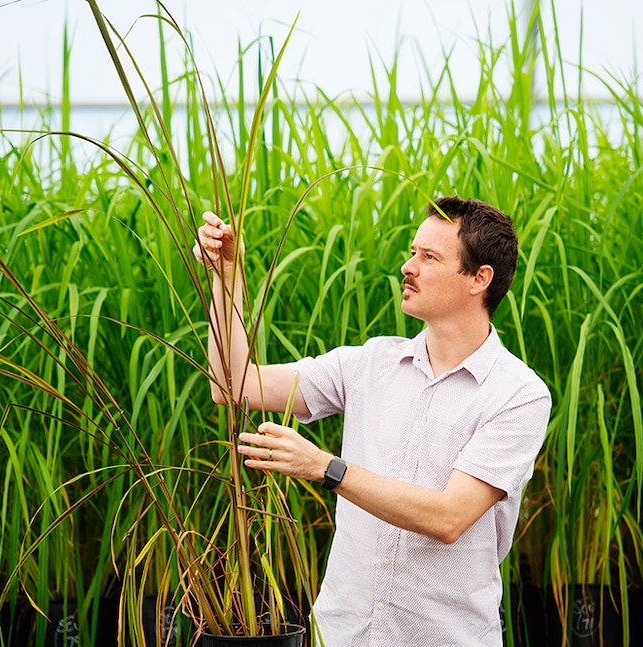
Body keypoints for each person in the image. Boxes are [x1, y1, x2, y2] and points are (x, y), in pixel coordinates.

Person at [193, 196, 551, 646]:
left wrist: (326, 468)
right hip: (340, 634)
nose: (408, 266)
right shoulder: (369, 363)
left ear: (480, 278)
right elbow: (235, 384)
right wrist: (227, 278)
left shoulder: (518, 394)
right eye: (412, 251)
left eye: (429, 257)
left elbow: (449, 517)